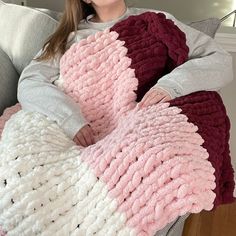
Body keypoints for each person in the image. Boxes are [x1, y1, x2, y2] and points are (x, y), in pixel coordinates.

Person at [17, 0, 233, 148]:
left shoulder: (156, 22)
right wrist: (69, 119)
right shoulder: (69, 38)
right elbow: (30, 82)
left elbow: (219, 59)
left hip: (138, 124)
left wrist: (170, 85)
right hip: (78, 130)